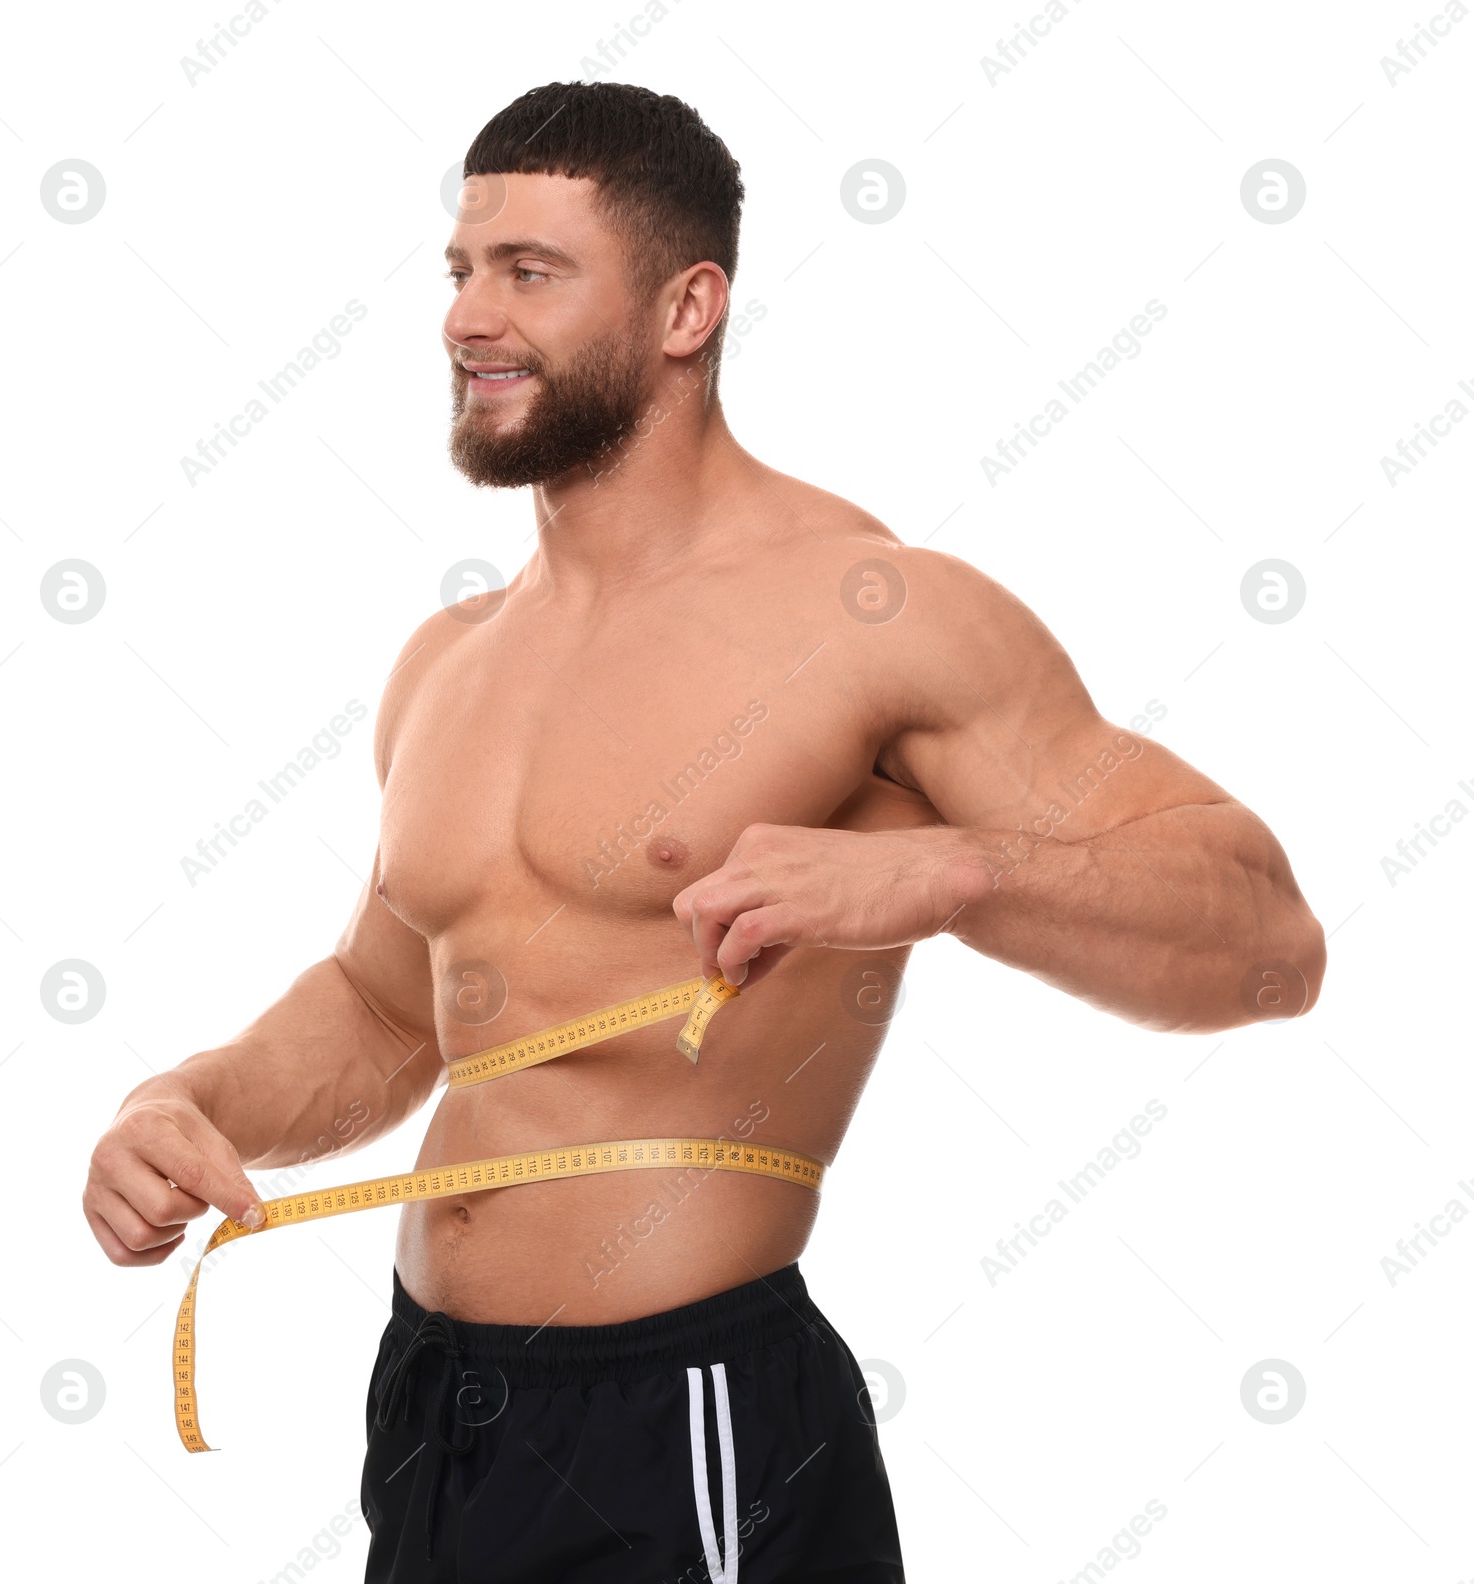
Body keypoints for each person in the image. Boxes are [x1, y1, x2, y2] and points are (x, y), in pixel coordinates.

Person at [83, 80, 1326, 1583]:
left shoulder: (872, 613)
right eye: (460, 270)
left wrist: (952, 870)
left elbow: (1267, 940)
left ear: (687, 308)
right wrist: (190, 1099)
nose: (468, 318)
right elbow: (384, 1007)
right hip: (429, 1411)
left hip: (690, 1427)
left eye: (529, 272)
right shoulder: (452, 661)